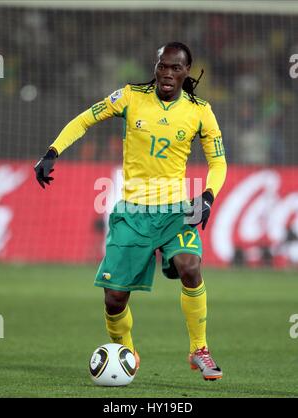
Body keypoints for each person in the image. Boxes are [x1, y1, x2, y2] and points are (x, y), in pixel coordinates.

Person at [34, 42, 227, 381]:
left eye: (175, 68)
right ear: (156, 67)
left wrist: (208, 196)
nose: (167, 73)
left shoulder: (200, 111)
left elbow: (218, 161)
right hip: (133, 213)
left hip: (174, 211)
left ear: (186, 72)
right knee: (114, 300)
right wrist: (53, 151)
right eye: (163, 66)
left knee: (190, 266)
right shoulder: (129, 97)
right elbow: (84, 120)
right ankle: (126, 351)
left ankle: (200, 350)